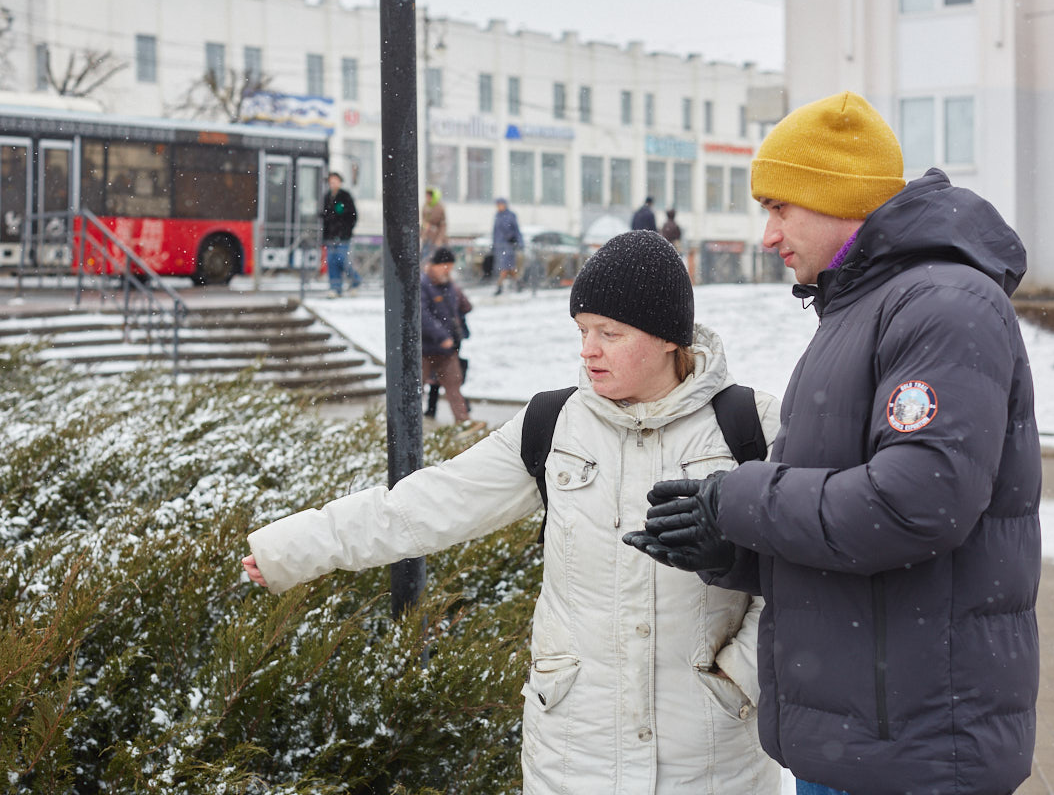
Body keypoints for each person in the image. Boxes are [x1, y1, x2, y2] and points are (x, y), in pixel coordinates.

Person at [241, 230, 783, 795]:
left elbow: (805, 573)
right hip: (573, 758)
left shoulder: (752, 428)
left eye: (610, 333)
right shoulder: (552, 426)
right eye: (582, 331)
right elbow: (424, 505)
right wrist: (291, 549)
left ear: (669, 338)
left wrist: (740, 674)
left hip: (714, 760)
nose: (587, 349)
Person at [623, 91, 1042, 795]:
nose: (768, 236)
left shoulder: (940, 304)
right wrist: (732, 552)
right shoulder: (858, 310)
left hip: (918, 753)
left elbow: (915, 504)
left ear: (837, 195)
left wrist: (739, 496)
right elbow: (848, 528)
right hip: (863, 739)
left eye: (779, 207)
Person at [417, 246, 474, 425]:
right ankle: (407, 424)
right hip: (426, 348)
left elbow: (463, 307)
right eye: (445, 265)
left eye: (450, 266)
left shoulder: (449, 285)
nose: (447, 269)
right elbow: (423, 316)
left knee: (454, 386)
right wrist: (441, 336)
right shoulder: (423, 285)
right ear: (434, 265)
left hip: (448, 349)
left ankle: (463, 422)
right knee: (415, 388)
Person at [321, 172, 361, 297]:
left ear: (339, 182)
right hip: (330, 236)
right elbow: (326, 218)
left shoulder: (345, 196)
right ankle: (335, 287)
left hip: (343, 236)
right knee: (332, 262)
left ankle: (355, 281)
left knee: (342, 260)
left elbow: (352, 215)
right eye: (330, 182)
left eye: (334, 181)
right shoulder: (327, 197)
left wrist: (346, 230)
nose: (332, 184)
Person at [491, 197, 523, 295]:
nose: (499, 206)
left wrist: (519, 243)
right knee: (509, 268)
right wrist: (493, 244)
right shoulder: (497, 216)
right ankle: (518, 283)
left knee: (504, 267)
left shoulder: (511, 216)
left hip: (508, 246)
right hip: (499, 246)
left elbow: (516, 230)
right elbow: (495, 232)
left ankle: (499, 286)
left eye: (500, 204)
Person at [420, 186, 447, 262]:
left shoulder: (439, 207)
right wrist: (422, 234)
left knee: (434, 259)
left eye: (429, 196)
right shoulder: (425, 206)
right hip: (426, 237)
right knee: (424, 258)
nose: (427, 198)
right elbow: (424, 221)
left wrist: (439, 239)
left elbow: (443, 225)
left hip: (434, 238)